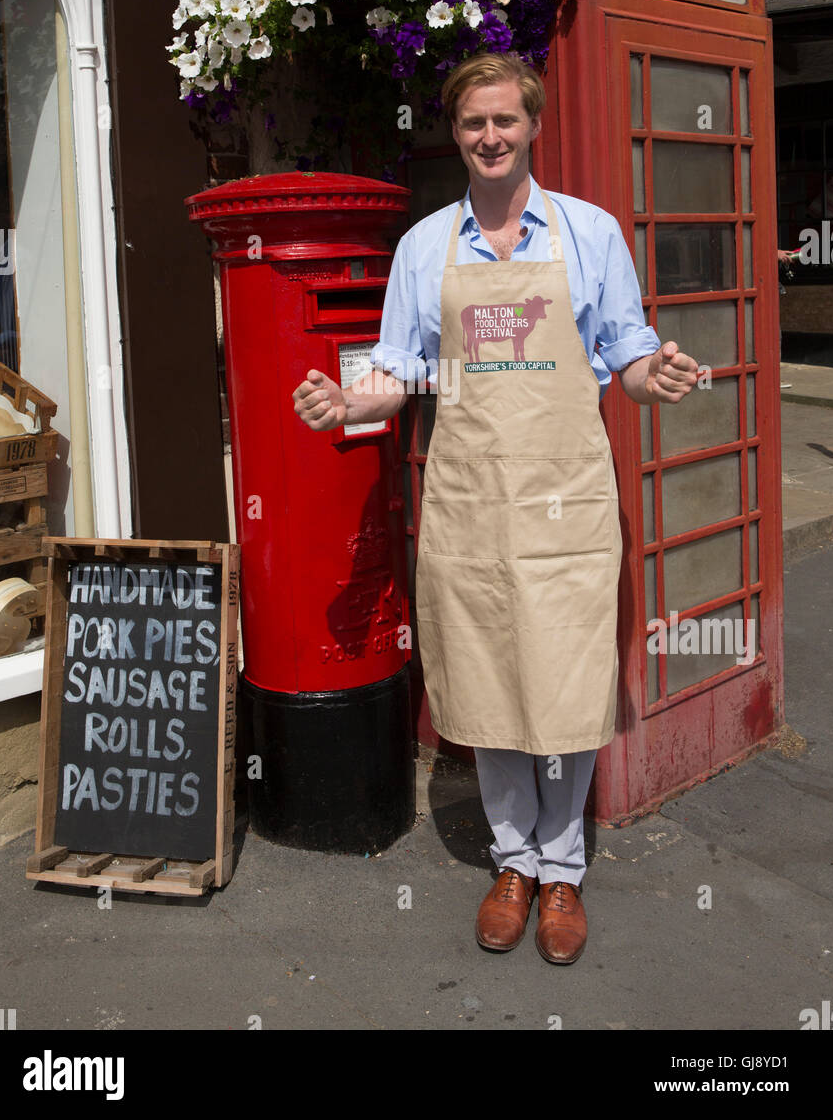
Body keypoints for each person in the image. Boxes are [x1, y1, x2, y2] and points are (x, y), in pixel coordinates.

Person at [293, 52, 698, 965]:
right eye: (474, 123)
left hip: (566, 504)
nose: (489, 137)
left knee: (564, 679)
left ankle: (564, 873)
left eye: (504, 121)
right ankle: (511, 862)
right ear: (456, 132)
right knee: (486, 679)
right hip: (473, 501)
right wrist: (348, 404)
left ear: (533, 126)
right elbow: (397, 372)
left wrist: (655, 378)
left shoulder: (590, 234)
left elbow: (628, 356)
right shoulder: (423, 247)